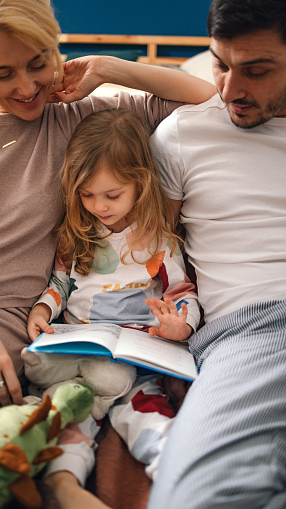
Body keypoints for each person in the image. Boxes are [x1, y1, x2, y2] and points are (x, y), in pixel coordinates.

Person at [0, 0, 216, 505]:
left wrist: (108, 68)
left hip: (12, 322)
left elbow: (207, 99)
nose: (27, 88)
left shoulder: (87, 119)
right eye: (2, 73)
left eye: (38, 63)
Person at [143, 0, 286, 507]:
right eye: (219, 64)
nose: (228, 90)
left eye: (257, 71)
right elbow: (152, 249)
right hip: (257, 328)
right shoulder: (185, 134)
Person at [25, 108, 200, 488]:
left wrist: (180, 323)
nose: (99, 206)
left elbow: (183, 294)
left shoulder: (158, 242)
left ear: (140, 183)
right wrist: (43, 308)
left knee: (146, 412)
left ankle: (175, 477)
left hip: (138, 356)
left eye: (112, 195)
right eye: (86, 194)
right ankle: (64, 483)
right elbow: (61, 284)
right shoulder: (77, 234)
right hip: (81, 352)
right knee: (69, 408)